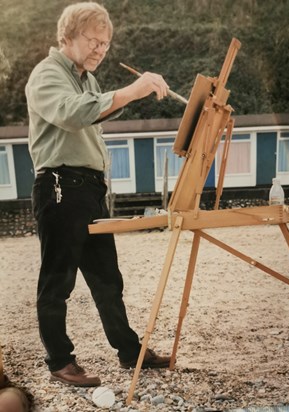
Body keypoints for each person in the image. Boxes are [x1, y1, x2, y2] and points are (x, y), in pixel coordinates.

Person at [25, 1, 172, 387]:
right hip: (59, 186)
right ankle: (59, 360)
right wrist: (130, 90)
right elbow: (74, 113)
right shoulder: (47, 75)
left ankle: (129, 351)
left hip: (89, 190)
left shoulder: (86, 79)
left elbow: (95, 109)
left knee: (108, 278)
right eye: (93, 41)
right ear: (68, 36)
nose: (100, 50)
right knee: (58, 280)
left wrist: (132, 95)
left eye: (105, 44)